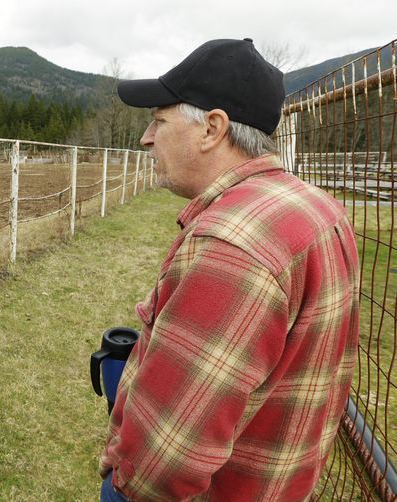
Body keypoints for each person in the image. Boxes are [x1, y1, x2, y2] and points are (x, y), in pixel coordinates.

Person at [98, 38, 360, 501]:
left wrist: (121, 483)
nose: (146, 136)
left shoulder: (231, 245)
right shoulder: (320, 209)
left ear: (212, 128)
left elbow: (168, 455)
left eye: (159, 120)